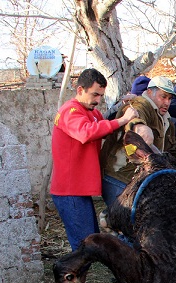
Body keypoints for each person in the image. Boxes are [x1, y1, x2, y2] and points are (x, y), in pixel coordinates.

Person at [50, 68, 138, 251]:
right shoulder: (70, 111)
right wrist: (123, 120)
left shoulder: (89, 111)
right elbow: (86, 132)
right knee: (84, 243)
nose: (98, 100)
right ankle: (73, 278)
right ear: (80, 89)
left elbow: (104, 124)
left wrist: (121, 107)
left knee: (89, 239)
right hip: (69, 190)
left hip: (78, 189)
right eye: (95, 95)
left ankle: (77, 277)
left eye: (101, 96)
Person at [100, 76, 176, 207]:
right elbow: (134, 117)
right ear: (150, 92)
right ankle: (109, 217)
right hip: (119, 178)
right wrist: (140, 127)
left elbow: (171, 151)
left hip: (140, 182)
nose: (167, 102)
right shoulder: (139, 104)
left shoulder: (167, 122)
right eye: (163, 97)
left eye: (169, 98)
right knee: (127, 220)